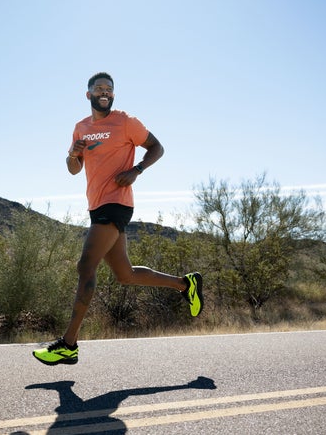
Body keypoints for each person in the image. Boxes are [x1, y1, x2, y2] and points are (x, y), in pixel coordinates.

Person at [32, 72, 203, 366]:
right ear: (88, 94)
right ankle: (185, 285)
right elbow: (73, 169)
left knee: (86, 265)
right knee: (125, 274)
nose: (104, 92)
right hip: (96, 205)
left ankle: (68, 344)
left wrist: (137, 170)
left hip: (117, 202)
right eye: (98, 88)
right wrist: (73, 155)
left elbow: (157, 147)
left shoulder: (125, 122)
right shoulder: (81, 128)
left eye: (109, 89)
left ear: (113, 95)